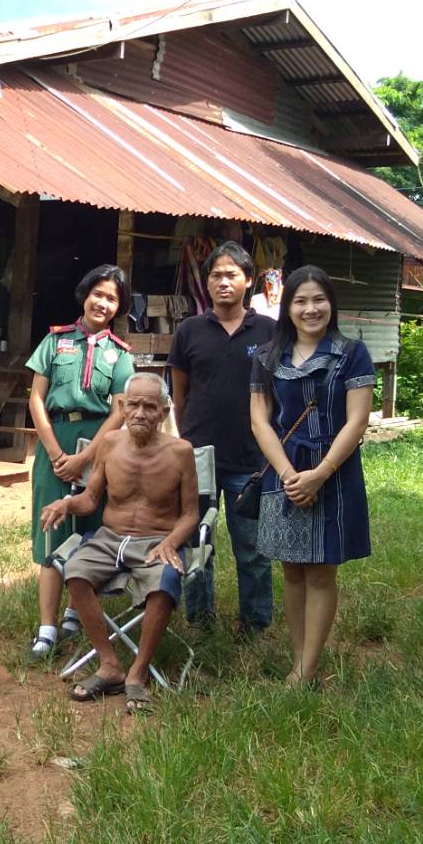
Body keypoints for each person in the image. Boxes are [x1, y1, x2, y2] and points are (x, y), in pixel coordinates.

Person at [39, 373, 199, 714]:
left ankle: (137, 674)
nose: (140, 413)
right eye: (134, 405)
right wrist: (66, 504)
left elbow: (189, 515)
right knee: (76, 572)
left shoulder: (181, 452)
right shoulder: (110, 443)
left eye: (150, 406)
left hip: (156, 540)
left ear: (164, 411)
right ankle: (110, 664)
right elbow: (90, 499)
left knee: (164, 583)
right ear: (122, 407)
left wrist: (171, 542)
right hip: (109, 538)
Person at [249, 266, 374, 688]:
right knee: (291, 568)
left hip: (333, 470)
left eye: (318, 299)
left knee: (321, 570)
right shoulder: (267, 356)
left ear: (331, 304)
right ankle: (300, 658)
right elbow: (260, 420)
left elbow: (357, 422)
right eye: (300, 301)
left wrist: (318, 475)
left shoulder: (352, 352)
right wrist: (288, 474)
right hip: (282, 471)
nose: (310, 308)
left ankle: (306, 669)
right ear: (287, 308)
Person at [24, 264, 135, 662]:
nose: (102, 303)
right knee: (52, 531)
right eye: (98, 294)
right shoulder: (54, 343)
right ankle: (47, 627)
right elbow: (36, 398)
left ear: (118, 307)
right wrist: (56, 453)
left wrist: (87, 456)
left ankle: (76, 613)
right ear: (84, 294)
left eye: (112, 299)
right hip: (55, 440)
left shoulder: (120, 354)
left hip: (99, 445)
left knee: (90, 527)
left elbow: (121, 410)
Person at [168, 240, 276, 635]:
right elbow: (179, 395)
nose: (223, 282)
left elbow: (280, 391)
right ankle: (200, 621)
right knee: (197, 544)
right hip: (199, 458)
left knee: (253, 549)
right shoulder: (190, 330)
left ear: (249, 280)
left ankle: (256, 624)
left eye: (232, 274)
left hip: (252, 460)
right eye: (216, 275)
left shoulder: (269, 330)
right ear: (207, 283)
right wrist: (186, 439)